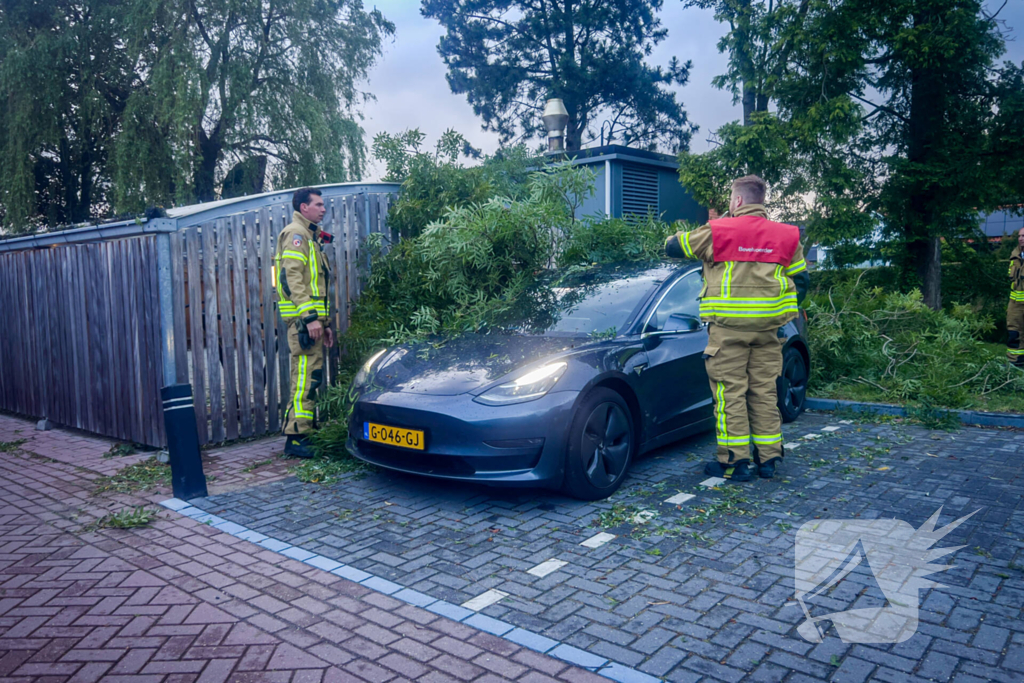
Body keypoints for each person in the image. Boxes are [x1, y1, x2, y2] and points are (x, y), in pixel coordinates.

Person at [664, 175, 809, 481]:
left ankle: (735, 462)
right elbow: (802, 281)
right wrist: (780, 315)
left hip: (727, 332)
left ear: (738, 200)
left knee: (730, 395)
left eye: (731, 199)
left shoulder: (719, 231)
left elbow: (674, 246)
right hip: (768, 332)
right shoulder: (787, 236)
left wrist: (696, 230)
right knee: (765, 393)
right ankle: (768, 460)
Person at [276, 188, 334, 458]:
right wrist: (310, 318)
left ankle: (304, 430)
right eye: (318, 204)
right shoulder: (296, 235)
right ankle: (297, 437)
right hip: (302, 324)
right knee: (304, 378)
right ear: (303, 207)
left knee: (311, 377)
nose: (323, 209)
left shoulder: (311, 238)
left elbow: (316, 287)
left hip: (311, 323)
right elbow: (291, 279)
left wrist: (325, 323)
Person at [1008, 227, 1024, 367]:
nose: (1020, 238)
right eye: (1019, 236)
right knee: (1014, 332)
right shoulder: (1015, 256)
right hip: (1015, 303)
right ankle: (1015, 361)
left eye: (1023, 236)